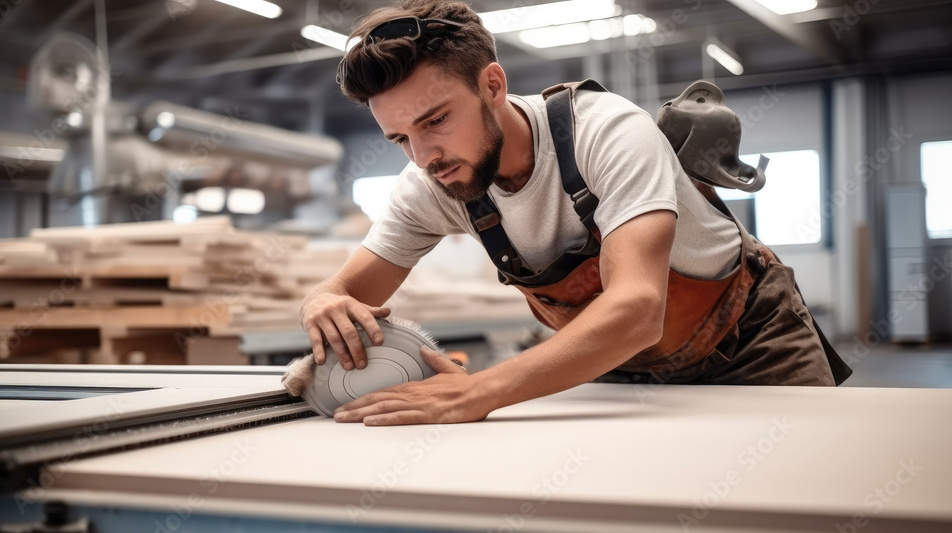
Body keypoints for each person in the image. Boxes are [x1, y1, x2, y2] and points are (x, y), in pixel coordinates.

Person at [299, 0, 851, 426]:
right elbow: (348, 290)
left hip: (749, 342)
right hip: (613, 362)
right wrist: (322, 304)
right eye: (400, 138)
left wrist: (479, 390)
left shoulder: (607, 132)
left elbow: (637, 308)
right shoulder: (431, 182)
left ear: (492, 84)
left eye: (436, 120)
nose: (424, 157)